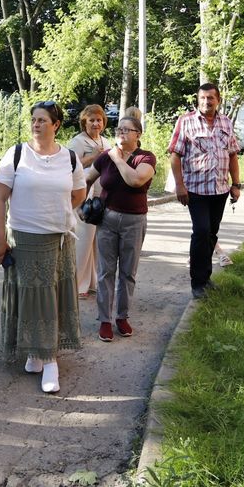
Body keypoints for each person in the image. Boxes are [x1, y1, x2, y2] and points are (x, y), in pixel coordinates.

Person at [0, 100, 87, 393]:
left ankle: (49, 360)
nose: (36, 124)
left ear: (56, 125)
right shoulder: (16, 154)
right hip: (23, 239)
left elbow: (79, 193)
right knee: (30, 299)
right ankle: (37, 353)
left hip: (58, 240)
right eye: (34, 119)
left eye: (42, 120)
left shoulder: (70, 158)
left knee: (49, 300)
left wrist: (54, 210)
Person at [85, 114, 156, 342]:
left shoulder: (146, 157)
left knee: (127, 272)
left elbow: (135, 180)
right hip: (107, 219)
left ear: (138, 134)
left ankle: (122, 317)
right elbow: (86, 179)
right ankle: (105, 320)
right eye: (118, 130)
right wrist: (80, 204)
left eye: (126, 129)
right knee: (105, 271)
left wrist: (117, 159)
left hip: (134, 221)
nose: (121, 133)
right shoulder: (106, 156)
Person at [168, 83, 241, 300]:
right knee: (201, 231)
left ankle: (206, 278)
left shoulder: (226, 122)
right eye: (202, 98)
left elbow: (233, 155)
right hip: (195, 189)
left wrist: (236, 184)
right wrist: (179, 185)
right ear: (197, 99)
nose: (206, 102)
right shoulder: (186, 121)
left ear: (218, 100)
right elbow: (175, 155)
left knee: (211, 234)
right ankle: (197, 283)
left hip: (220, 189)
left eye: (210, 98)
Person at [67, 104, 109, 298]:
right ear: (84, 122)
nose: (95, 123)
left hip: (102, 196)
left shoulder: (105, 140)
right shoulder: (78, 141)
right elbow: (70, 164)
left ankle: (92, 282)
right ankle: (76, 285)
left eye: (99, 120)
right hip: (85, 196)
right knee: (83, 240)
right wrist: (94, 156)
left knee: (97, 242)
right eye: (91, 120)